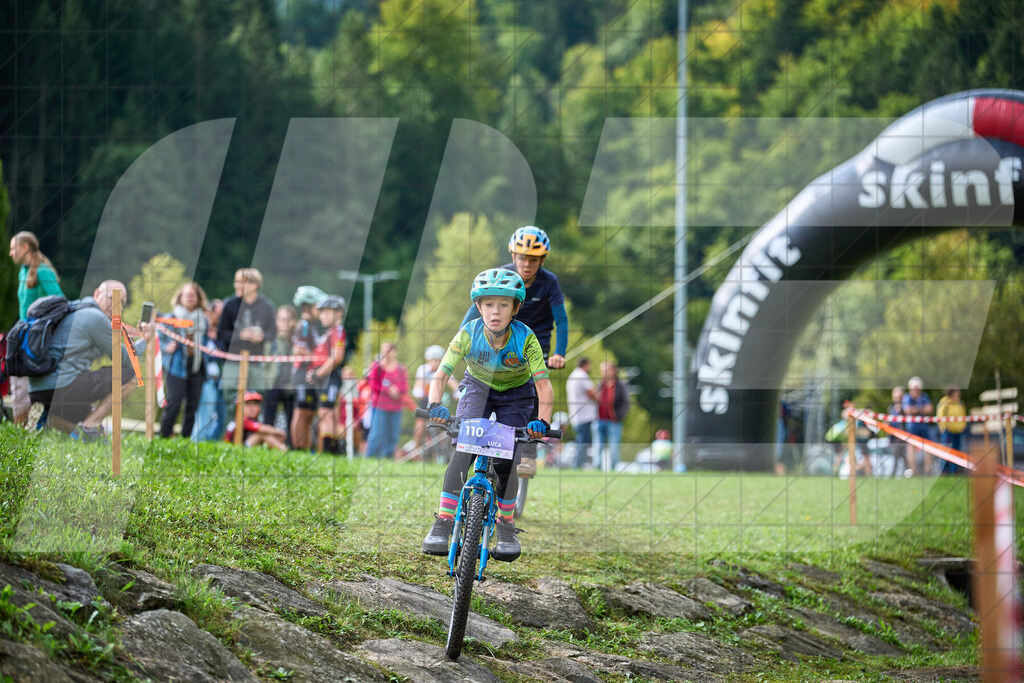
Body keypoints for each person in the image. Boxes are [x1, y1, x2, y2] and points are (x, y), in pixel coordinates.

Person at [422, 268, 553, 562]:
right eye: (489, 304)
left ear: (515, 308)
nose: (496, 311)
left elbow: (544, 386)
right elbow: (440, 375)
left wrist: (542, 422)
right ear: (478, 307)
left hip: (517, 394)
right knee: (462, 453)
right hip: (477, 387)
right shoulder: (467, 334)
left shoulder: (526, 338)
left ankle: (506, 526)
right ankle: (443, 522)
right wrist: (435, 406)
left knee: (507, 462)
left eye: (504, 305)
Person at [460, 226, 569, 480]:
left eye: (533, 260)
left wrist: (559, 352)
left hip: (535, 341)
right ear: (513, 256)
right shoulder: (501, 276)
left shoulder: (549, 282)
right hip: (500, 338)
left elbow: (561, 320)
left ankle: (528, 453)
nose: (527, 264)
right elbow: (473, 313)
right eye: (522, 258)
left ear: (542, 260)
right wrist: (463, 340)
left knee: (532, 387)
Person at [27, 280, 151, 441]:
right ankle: (90, 425)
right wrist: (145, 339)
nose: (116, 306)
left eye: (121, 302)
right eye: (112, 298)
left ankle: (50, 419)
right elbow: (126, 359)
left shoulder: (76, 309)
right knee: (132, 373)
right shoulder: (95, 318)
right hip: (62, 387)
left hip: (38, 389)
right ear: (96, 294)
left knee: (90, 421)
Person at [8, 230, 64, 424]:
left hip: (37, 340)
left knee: (26, 385)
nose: (10, 253)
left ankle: (27, 427)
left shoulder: (43, 271)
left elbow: (60, 302)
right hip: (23, 336)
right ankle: (21, 427)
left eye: (13, 248)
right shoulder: (23, 272)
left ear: (25, 247)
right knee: (18, 384)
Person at [158, 282, 209, 439]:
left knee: (192, 406)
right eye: (187, 295)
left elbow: (206, 343)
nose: (190, 298)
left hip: (196, 366)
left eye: (193, 295)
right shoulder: (171, 318)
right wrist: (167, 347)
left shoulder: (203, 320)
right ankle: (164, 436)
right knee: (174, 403)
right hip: (175, 366)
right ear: (180, 298)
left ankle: (185, 439)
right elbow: (158, 339)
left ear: (198, 299)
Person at [217, 268, 276, 395]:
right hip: (233, 360)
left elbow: (272, 333)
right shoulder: (229, 305)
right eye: (236, 282)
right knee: (231, 397)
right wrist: (240, 336)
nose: (236, 285)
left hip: (256, 361)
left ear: (254, 285)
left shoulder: (267, 306)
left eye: (241, 282)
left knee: (258, 396)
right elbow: (221, 334)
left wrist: (262, 337)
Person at [307, 296, 347, 453]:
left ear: (338, 313)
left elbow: (336, 357)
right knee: (325, 414)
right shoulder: (329, 332)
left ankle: (331, 451)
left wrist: (317, 374)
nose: (322, 316)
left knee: (327, 414)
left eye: (326, 312)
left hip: (331, 377)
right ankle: (330, 450)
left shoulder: (338, 330)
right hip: (325, 378)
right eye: (321, 312)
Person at [289, 285, 326, 451]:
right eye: (318, 307)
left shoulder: (311, 326)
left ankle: (306, 447)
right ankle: (298, 448)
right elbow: (298, 349)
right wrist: (316, 357)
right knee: (302, 412)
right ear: (308, 307)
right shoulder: (304, 325)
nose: (320, 311)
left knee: (309, 412)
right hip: (302, 373)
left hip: (309, 375)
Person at [411, 345, 459, 461]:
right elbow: (417, 388)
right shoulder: (422, 370)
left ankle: (439, 455)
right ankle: (415, 453)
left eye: (437, 360)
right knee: (420, 426)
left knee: (442, 426)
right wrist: (419, 392)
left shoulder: (445, 369)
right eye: (432, 360)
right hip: (425, 402)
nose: (435, 363)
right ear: (428, 360)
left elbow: (455, 386)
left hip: (440, 403)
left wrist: (457, 393)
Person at [364, 342, 409, 458]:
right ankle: (371, 457)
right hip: (380, 406)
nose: (386, 353)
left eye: (389, 350)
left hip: (396, 408)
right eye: (384, 350)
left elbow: (404, 387)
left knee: (393, 435)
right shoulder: (377, 367)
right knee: (377, 434)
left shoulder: (400, 369)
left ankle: (387, 458)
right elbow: (373, 385)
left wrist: (397, 391)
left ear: (395, 352)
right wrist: (388, 390)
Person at [262, 304, 298, 446]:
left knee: (292, 419)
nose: (283, 323)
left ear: (293, 321)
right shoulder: (271, 340)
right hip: (273, 383)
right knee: (268, 418)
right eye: (280, 319)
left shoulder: (297, 341)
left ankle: (291, 448)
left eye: (287, 320)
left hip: (291, 385)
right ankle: (267, 445)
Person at [193, 299, 226, 442]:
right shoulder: (202, 331)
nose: (219, 319)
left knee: (219, 415)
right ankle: (197, 441)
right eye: (218, 315)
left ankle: (210, 442)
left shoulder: (220, 334)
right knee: (204, 415)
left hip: (218, 380)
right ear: (210, 312)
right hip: (205, 379)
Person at [593, 361, 630, 471]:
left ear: (613, 371)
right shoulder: (600, 384)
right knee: (597, 447)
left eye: (606, 370)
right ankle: (597, 468)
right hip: (599, 420)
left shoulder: (621, 386)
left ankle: (614, 468)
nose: (604, 373)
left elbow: (626, 403)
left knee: (614, 447)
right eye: (602, 371)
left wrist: (618, 416)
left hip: (614, 422)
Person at [565, 357, 598, 469]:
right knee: (583, 443)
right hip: (584, 416)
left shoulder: (572, 376)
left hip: (576, 415)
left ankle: (577, 465)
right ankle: (577, 465)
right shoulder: (582, 376)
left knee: (580, 442)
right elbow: (593, 393)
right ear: (586, 365)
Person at [902, 376, 934, 475]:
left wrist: (915, 409)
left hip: (924, 426)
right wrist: (922, 408)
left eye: (917, 388)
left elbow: (930, 409)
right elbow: (907, 410)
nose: (916, 390)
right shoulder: (907, 397)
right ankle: (913, 471)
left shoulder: (924, 396)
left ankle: (928, 471)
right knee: (911, 448)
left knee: (929, 447)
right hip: (912, 427)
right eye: (914, 388)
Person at [936, 385, 967, 475]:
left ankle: (955, 470)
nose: (958, 394)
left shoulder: (960, 403)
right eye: (956, 392)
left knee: (957, 451)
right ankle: (944, 471)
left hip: (958, 431)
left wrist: (963, 426)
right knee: (946, 451)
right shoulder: (945, 401)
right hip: (948, 431)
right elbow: (940, 415)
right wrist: (944, 427)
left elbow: (963, 415)